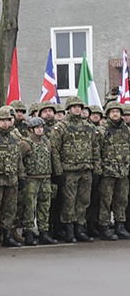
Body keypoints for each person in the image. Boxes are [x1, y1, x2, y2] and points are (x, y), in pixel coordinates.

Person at [48, 96, 100, 243]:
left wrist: (96, 169)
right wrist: (58, 172)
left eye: (79, 107)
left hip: (86, 169)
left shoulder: (89, 127)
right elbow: (55, 151)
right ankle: (69, 230)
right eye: (74, 106)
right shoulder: (60, 128)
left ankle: (80, 229)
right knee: (69, 202)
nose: (77, 109)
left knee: (83, 201)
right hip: (69, 171)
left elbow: (95, 149)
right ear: (69, 108)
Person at [0, 106, 28, 249]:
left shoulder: (13, 138)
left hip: (11, 179)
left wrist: (21, 176)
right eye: (3, 120)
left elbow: (18, 159)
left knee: (10, 209)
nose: (6, 123)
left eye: (8, 120)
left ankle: (7, 235)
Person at [21, 116, 60, 246]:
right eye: (37, 127)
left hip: (46, 178)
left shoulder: (46, 142)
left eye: (41, 127)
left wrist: (56, 175)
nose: (40, 130)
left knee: (45, 206)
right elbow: (19, 162)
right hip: (31, 179)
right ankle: (28, 232)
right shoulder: (25, 143)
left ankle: (44, 232)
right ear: (31, 129)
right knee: (30, 207)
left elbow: (52, 159)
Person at [97, 101, 130, 240]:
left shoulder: (126, 130)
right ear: (108, 114)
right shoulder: (103, 130)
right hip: (108, 171)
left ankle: (120, 225)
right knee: (106, 200)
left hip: (123, 170)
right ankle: (104, 226)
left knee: (121, 200)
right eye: (112, 112)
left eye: (117, 111)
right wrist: (98, 170)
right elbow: (96, 151)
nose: (115, 114)